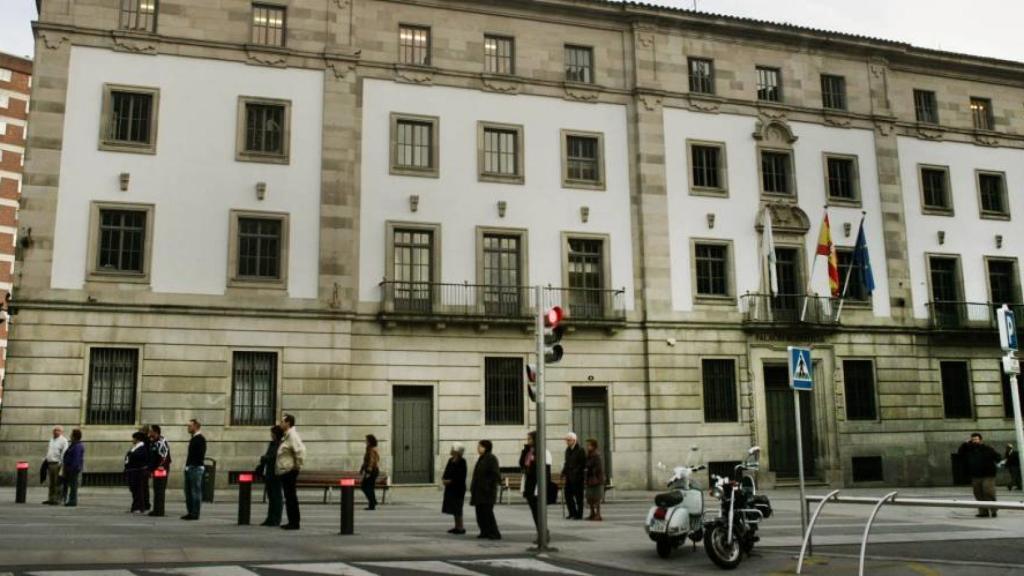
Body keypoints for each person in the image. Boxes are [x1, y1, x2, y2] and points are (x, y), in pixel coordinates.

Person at [957, 432, 1002, 517]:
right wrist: (965, 443)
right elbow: (960, 453)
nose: (974, 441)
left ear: (980, 440)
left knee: (988, 492)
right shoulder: (968, 449)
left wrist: (996, 462)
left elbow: (998, 457)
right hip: (975, 475)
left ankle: (993, 510)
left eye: (976, 439)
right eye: (973, 440)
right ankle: (983, 512)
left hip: (988, 475)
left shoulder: (988, 448)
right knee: (978, 493)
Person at [519, 431, 552, 544]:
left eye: (530, 439)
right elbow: (522, 464)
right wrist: (525, 450)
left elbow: (546, 471)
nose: (528, 441)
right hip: (529, 484)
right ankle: (541, 532)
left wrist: (542, 487)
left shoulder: (543, 452)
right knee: (534, 511)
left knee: (538, 511)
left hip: (537, 485)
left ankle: (543, 533)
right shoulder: (529, 451)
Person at [276, 413, 306, 530]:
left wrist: (297, 466)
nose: (280, 424)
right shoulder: (287, 435)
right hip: (286, 470)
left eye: (282, 422)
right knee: (289, 497)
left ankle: (294, 522)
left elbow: (300, 451)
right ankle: (292, 521)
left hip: (289, 471)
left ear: (288, 423)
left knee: (291, 497)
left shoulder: (292, 435)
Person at [470, 440, 501, 540]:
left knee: (487, 513)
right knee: (480, 513)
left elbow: (495, 474)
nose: (478, 448)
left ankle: (494, 532)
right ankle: (484, 531)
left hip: (487, 491)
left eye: (480, 446)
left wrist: (487, 485)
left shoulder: (491, 458)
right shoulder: (482, 458)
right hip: (479, 491)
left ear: (486, 447)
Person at [258, 425, 284, 527]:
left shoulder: (280, 444)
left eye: (272, 433)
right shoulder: (272, 443)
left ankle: (276, 519)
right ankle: (270, 518)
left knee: (276, 497)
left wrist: (265, 458)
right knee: (271, 497)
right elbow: (268, 455)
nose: (271, 435)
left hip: (276, 473)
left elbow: (274, 457)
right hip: (269, 473)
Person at [182, 419, 207, 521]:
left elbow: (199, 455)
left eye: (190, 426)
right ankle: (190, 512)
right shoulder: (194, 438)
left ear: (196, 426)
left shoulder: (200, 439)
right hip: (190, 467)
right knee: (188, 492)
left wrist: (192, 465)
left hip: (195, 468)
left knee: (195, 491)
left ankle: (195, 513)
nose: (188, 428)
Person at [442, 442, 467, 534]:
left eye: (452, 448)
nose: (451, 450)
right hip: (450, 488)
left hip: (458, 489)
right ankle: (457, 526)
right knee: (453, 508)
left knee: (458, 508)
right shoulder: (450, 460)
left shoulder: (462, 461)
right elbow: (446, 471)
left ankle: (460, 527)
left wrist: (451, 481)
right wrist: (444, 479)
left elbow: (460, 476)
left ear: (457, 451)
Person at [147, 424, 171, 517]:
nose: (149, 433)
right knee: (156, 489)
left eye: (150, 431)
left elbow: (164, 456)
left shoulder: (161, 442)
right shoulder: (153, 442)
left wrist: (161, 466)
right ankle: (156, 509)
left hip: (161, 469)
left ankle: (160, 511)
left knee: (160, 489)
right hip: (156, 469)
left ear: (155, 432)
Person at [561, 432, 586, 520]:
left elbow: (582, 464)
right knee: (568, 495)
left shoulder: (580, 450)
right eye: (566, 440)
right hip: (569, 477)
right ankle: (572, 512)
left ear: (574, 440)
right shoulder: (568, 450)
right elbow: (566, 462)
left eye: (568, 440)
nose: (567, 442)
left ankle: (579, 514)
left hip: (578, 478)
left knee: (579, 497)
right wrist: (563, 472)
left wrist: (575, 471)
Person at [42, 425, 68, 505]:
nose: (56, 432)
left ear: (61, 432)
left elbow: (64, 452)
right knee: (51, 483)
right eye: (55, 430)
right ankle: (51, 498)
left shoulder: (63, 441)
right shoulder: (51, 440)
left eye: (58, 430)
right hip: (50, 463)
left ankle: (57, 499)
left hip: (57, 464)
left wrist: (61, 463)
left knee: (58, 483)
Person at [125, 431, 149, 513]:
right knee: (134, 490)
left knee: (138, 490)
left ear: (137, 439)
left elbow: (139, 458)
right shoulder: (135, 447)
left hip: (137, 472)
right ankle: (135, 506)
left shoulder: (142, 448)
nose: (132, 440)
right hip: (132, 471)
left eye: (133, 438)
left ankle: (138, 507)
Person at [61, 429, 85, 507]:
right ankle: (68, 499)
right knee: (70, 485)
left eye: (71, 434)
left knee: (73, 485)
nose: (70, 436)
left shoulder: (77, 446)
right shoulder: (73, 445)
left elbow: (76, 458)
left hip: (73, 469)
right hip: (69, 468)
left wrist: (73, 468)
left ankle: (73, 500)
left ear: (75, 436)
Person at [584, 438, 605, 521]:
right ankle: (592, 513)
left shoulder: (596, 455)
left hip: (596, 479)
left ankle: (598, 514)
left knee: (596, 497)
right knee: (590, 497)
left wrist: (590, 469)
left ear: (593, 446)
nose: (587, 447)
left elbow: (598, 467)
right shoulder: (589, 454)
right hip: (590, 479)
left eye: (589, 445)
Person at [360, 434, 381, 510]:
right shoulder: (369, 448)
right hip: (372, 470)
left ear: (370, 441)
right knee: (369, 487)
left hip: (372, 471)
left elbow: (371, 461)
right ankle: (372, 503)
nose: (365, 441)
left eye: (366, 440)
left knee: (365, 486)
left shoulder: (371, 449)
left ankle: (373, 502)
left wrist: (368, 471)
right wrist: (362, 469)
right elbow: (366, 461)